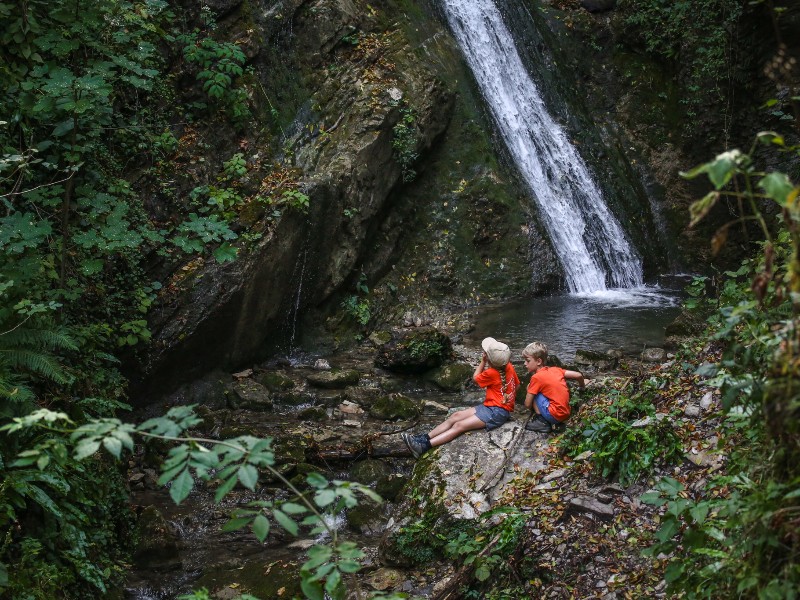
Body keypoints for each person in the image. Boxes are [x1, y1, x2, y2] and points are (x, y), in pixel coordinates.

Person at [402, 337, 520, 458]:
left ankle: (423, 447)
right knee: (455, 416)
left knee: (459, 426)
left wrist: (482, 362)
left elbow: (475, 378)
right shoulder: (509, 366)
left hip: (496, 412)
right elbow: (517, 386)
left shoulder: (491, 373)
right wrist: (507, 402)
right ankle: (424, 438)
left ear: (489, 359)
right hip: (492, 407)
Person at [522, 341, 587, 433]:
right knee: (539, 390)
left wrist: (529, 403)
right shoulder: (556, 370)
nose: (525, 363)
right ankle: (555, 422)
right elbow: (578, 375)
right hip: (566, 413)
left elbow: (527, 404)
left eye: (528, 360)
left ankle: (542, 422)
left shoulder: (536, 377)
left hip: (554, 415)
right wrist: (582, 387)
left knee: (530, 388)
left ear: (539, 361)